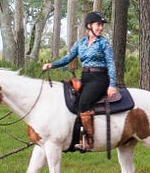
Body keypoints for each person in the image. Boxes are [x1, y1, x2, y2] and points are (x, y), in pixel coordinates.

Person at [43, 11, 119, 151]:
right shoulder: (81, 43)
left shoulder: (104, 43)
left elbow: (111, 63)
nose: (101, 28)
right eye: (98, 25)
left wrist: (112, 84)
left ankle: (89, 140)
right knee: (73, 102)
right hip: (85, 78)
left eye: (102, 25)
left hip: (100, 79)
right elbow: (67, 58)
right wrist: (52, 65)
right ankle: (76, 134)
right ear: (89, 26)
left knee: (84, 102)